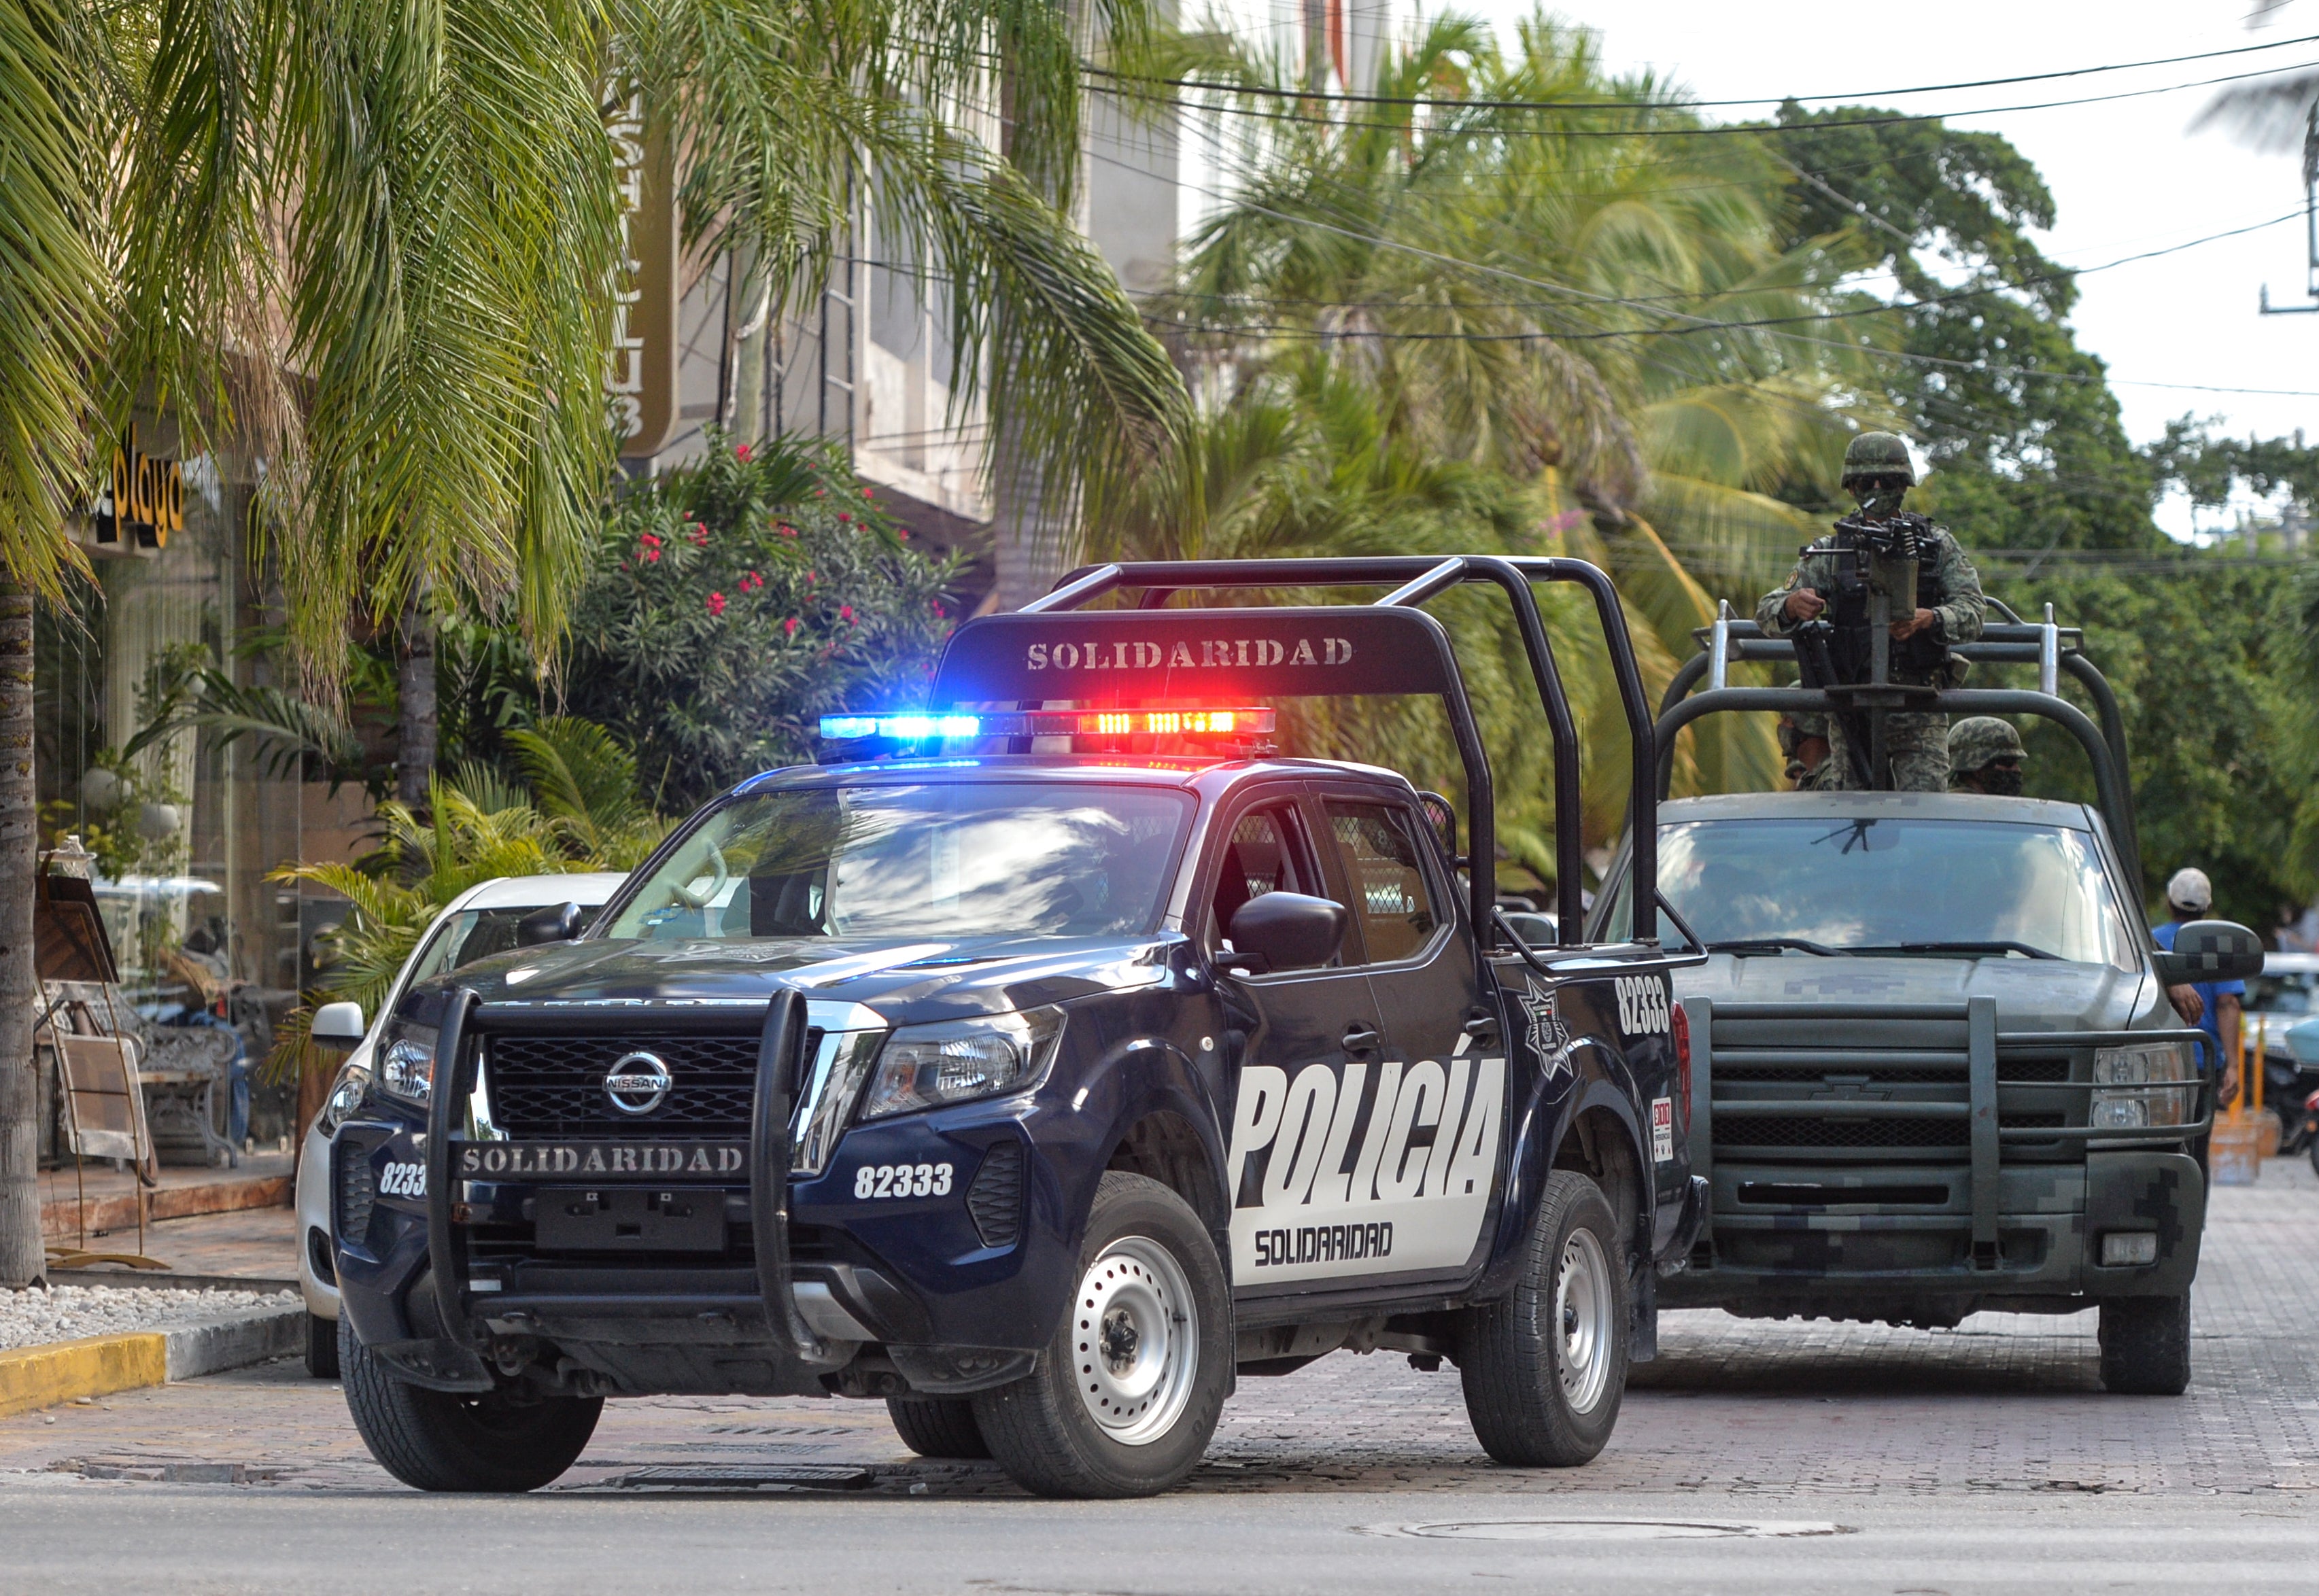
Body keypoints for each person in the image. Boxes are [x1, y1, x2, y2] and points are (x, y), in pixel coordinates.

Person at [1756, 432, 1986, 791]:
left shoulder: (1937, 545)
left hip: (1918, 707)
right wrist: (1792, 605)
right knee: (1854, 813)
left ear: (1904, 485)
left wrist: (1930, 618)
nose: (1877, 490)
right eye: (1867, 482)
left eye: (1888, 481)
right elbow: (1767, 611)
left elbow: (1973, 610)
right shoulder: (1832, 552)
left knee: (1923, 813)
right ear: (1851, 487)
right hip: (1852, 709)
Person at [2154, 866, 2242, 1109]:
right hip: (2204, 1059)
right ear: (2208, 907)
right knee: (2198, 1131)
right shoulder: (2220, 946)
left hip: (2157, 1058)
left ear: (2169, 903)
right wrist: (2233, 1066)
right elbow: (2227, 1004)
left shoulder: (2148, 941)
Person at [1946, 716, 2026, 795]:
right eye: (2007, 762)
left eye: (2016, 762)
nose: (2017, 769)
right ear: (1976, 766)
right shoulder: (1960, 801)